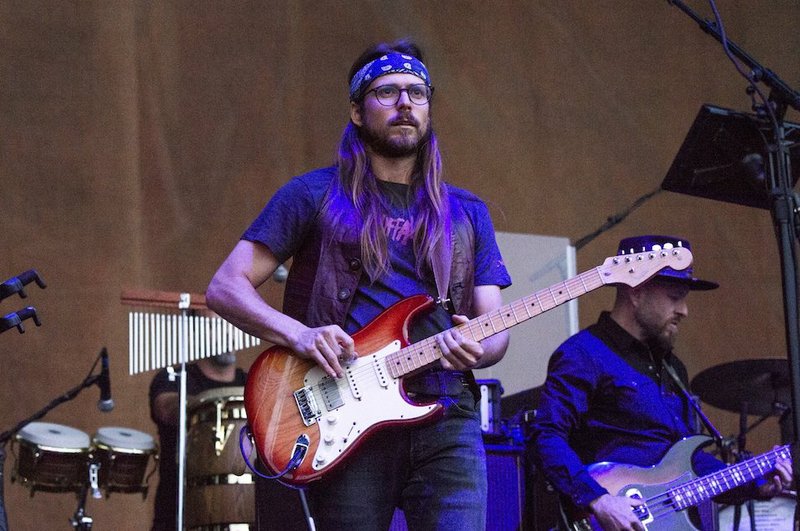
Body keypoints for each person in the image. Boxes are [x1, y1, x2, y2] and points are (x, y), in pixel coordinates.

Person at [205, 38, 512, 530]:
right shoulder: (311, 194)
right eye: (387, 92)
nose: (405, 103)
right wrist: (300, 335)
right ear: (356, 110)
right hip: (343, 408)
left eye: (417, 91)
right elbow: (225, 287)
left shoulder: (468, 212)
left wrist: (477, 344)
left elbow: (495, 330)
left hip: (446, 412)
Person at [531, 235, 793, 531]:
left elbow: (687, 467)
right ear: (636, 291)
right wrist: (599, 500)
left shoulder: (673, 368)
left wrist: (755, 482)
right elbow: (547, 436)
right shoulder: (584, 354)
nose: (684, 310)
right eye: (674, 297)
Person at [149, 352, 247, 531]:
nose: (226, 335)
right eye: (214, 327)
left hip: (247, 510)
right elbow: (166, 408)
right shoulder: (174, 378)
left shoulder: (251, 382)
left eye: (231, 329)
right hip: (178, 513)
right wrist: (202, 405)